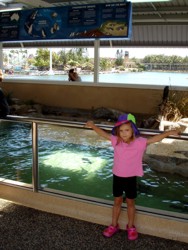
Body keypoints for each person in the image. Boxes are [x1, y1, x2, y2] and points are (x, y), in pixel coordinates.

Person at [85, 113, 180, 240]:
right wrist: (92, 126)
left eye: (127, 130)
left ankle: (131, 226)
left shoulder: (140, 142)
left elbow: (155, 139)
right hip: (117, 177)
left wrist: (168, 133)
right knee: (117, 201)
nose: (124, 133)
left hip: (131, 178)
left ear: (133, 130)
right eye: (121, 130)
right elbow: (104, 134)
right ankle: (114, 225)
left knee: (130, 202)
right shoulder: (116, 141)